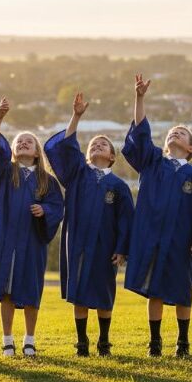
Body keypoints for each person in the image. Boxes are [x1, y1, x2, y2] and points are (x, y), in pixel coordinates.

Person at [122, 75, 192, 357]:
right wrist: (139, 99)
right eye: (171, 133)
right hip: (151, 237)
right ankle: (154, 342)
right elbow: (139, 136)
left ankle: (183, 342)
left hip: (181, 241)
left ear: (191, 148)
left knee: (182, 290)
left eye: (182, 134)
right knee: (155, 291)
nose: (174, 134)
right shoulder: (152, 163)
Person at [44, 92, 134, 357]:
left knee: (105, 293)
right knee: (80, 291)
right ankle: (81, 342)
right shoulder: (77, 175)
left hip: (106, 246)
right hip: (79, 242)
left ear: (112, 157)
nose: (96, 146)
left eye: (103, 144)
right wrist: (76, 117)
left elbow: (126, 220)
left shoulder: (119, 186)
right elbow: (63, 148)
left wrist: (122, 248)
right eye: (93, 144)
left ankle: (104, 342)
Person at [0, 97, 64, 357]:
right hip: (5, 240)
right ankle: (8, 340)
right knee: (6, 290)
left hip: (31, 241)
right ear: (13, 151)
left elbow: (57, 207)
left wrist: (45, 211)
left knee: (30, 290)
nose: (24, 142)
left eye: (29, 141)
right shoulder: (4, 173)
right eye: (19, 142)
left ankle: (29, 339)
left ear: (38, 151)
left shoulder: (46, 181)